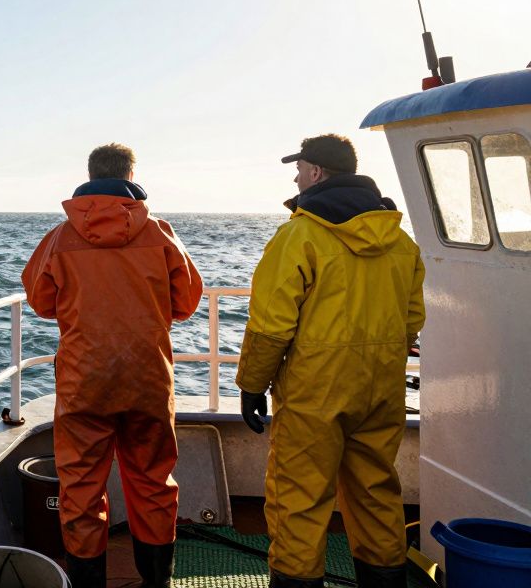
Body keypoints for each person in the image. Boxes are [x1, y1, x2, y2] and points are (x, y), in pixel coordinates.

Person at [236, 134, 425, 588]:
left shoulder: (299, 235)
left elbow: (271, 326)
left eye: (299, 168)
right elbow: (411, 319)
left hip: (314, 394)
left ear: (316, 172)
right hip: (381, 390)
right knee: (376, 493)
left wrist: (251, 385)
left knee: (299, 500)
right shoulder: (400, 241)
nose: (296, 176)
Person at [22, 143, 203, 588]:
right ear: (130, 174)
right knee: (153, 483)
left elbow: (41, 301)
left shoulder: (61, 238)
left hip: (85, 381)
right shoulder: (160, 234)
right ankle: (156, 582)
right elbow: (187, 302)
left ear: (89, 175)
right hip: (147, 378)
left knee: (81, 489)